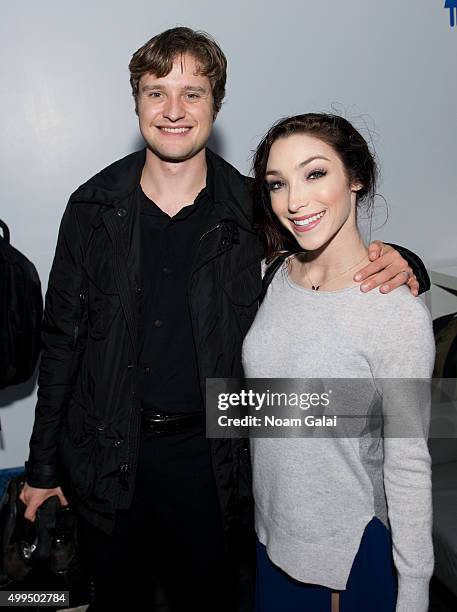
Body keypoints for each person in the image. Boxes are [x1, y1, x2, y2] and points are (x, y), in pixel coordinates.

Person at [19, 28, 428, 611]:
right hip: (109, 458)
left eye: (193, 92)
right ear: (135, 102)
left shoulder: (254, 208)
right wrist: (41, 465)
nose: (174, 110)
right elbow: (60, 344)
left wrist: (404, 261)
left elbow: (325, 243)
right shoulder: (91, 208)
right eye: (156, 92)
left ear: (216, 104)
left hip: (214, 464)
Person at [242, 113, 435, 612]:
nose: (295, 201)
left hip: (345, 554)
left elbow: (409, 463)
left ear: (356, 177)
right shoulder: (272, 276)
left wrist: (413, 594)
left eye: (315, 173)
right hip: (271, 538)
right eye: (277, 184)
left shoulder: (395, 313)